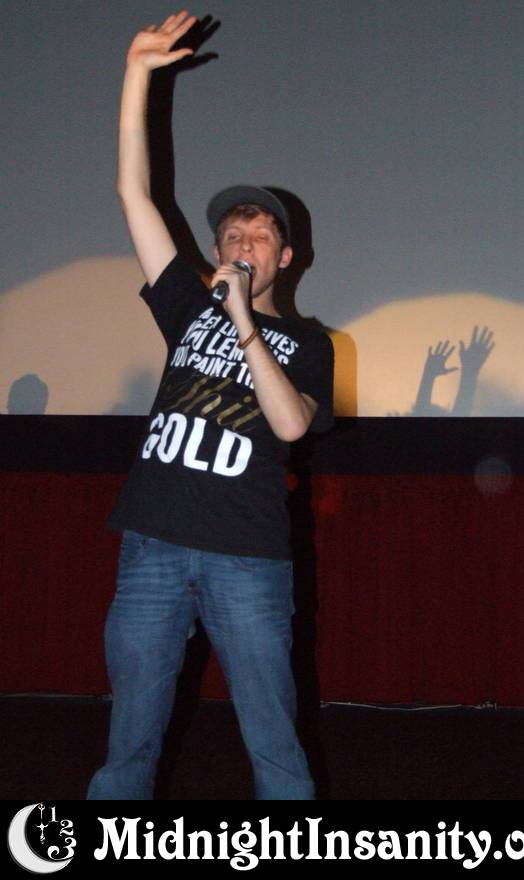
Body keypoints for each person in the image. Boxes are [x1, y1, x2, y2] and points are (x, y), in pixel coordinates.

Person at [87, 10, 334, 801]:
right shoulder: (187, 309)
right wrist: (137, 74)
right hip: (153, 545)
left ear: (284, 257)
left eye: (258, 234)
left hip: (246, 557)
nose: (242, 240)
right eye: (231, 231)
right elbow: (135, 192)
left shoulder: (309, 342)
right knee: (128, 745)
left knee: (274, 747)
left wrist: (244, 327)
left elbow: (291, 423)